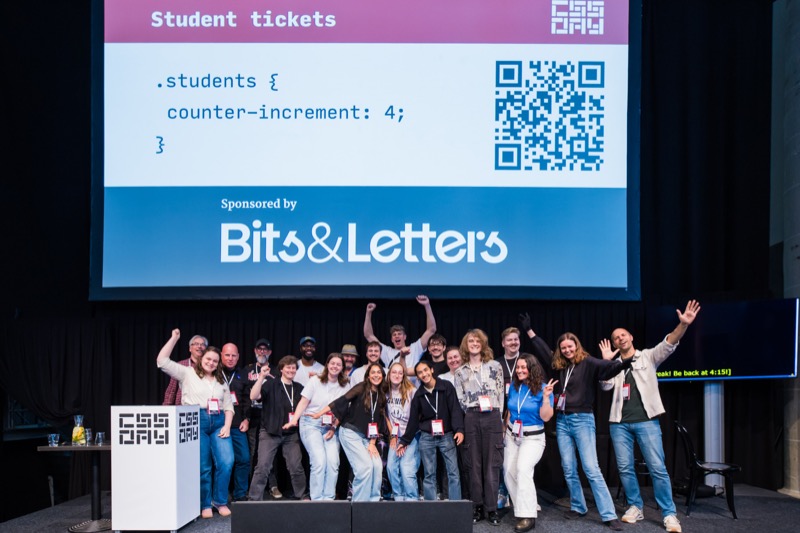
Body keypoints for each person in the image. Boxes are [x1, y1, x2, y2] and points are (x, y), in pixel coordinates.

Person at [599, 300, 701, 533]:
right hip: (619, 424)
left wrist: (683, 325)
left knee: (657, 468)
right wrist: (606, 364)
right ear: (614, 344)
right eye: (616, 338)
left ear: (631, 337)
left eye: (623, 335)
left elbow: (669, 342)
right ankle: (636, 506)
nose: (620, 339)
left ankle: (669, 513)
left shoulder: (648, 357)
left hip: (647, 422)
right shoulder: (614, 365)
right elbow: (605, 387)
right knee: (625, 468)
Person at [550, 332, 631, 530]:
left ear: (577, 345)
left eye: (570, 346)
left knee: (591, 468)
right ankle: (578, 506)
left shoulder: (587, 362)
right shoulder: (563, 366)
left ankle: (609, 514)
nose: (567, 350)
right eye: (563, 348)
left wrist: (623, 361)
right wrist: (530, 332)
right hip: (562, 421)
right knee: (568, 468)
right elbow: (544, 350)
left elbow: (607, 369)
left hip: (582, 420)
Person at [156, 329, 234, 518]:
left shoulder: (221, 379)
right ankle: (205, 503)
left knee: (227, 461)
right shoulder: (187, 373)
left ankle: (219, 501)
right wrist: (174, 338)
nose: (211, 363)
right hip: (196, 421)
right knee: (203, 466)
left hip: (219, 423)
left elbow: (228, 406)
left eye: (215, 361)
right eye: (208, 359)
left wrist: (227, 426)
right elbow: (162, 361)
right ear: (201, 358)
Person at [313, 363, 388, 501]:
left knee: (377, 466)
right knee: (364, 468)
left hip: (367, 438)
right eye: (373, 372)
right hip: (350, 433)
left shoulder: (381, 395)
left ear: (383, 376)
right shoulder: (361, 387)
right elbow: (341, 401)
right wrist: (319, 413)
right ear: (368, 376)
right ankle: (360, 505)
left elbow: (377, 421)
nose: (376, 375)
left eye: (379, 372)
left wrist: (372, 443)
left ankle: (373, 502)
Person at [453, 329, 504, 525]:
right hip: (472, 416)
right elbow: (460, 399)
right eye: (471, 341)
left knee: (492, 464)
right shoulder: (460, 371)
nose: (474, 344)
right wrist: (472, 411)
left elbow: (500, 393)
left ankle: (492, 509)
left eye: (477, 341)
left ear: (483, 344)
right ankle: (477, 506)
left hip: (492, 415)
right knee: (473, 465)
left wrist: (498, 416)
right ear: (466, 346)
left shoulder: (495, 366)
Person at [284, 353, 352, 500]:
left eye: (338, 364)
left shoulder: (345, 385)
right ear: (327, 364)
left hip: (330, 426)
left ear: (342, 368)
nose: (335, 366)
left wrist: (334, 428)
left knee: (333, 463)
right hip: (310, 423)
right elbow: (303, 402)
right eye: (332, 363)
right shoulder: (315, 380)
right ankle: (316, 499)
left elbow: (343, 411)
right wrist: (294, 420)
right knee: (319, 461)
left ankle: (328, 499)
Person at [503, 354, 557, 533]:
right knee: (508, 472)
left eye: (523, 367)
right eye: (517, 367)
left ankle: (527, 516)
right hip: (512, 434)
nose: (519, 370)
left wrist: (546, 398)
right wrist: (504, 431)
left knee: (523, 469)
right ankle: (525, 506)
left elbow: (546, 417)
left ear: (532, 369)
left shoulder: (544, 389)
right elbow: (510, 411)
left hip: (533, 437)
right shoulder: (514, 387)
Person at [398, 359, 464, 501]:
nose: (424, 374)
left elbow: (455, 409)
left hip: (447, 435)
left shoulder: (446, 386)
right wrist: (404, 441)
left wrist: (459, 429)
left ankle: (456, 506)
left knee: (453, 472)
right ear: (417, 376)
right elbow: (413, 420)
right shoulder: (419, 395)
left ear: (431, 370)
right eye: (420, 373)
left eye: (425, 370)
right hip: (427, 437)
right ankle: (431, 508)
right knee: (429, 474)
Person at [248, 356, 308, 500]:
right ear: (281, 369)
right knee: (262, 467)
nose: (291, 370)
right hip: (270, 432)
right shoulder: (271, 384)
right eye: (288, 367)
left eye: (293, 368)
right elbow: (253, 396)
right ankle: (254, 499)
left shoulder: (299, 388)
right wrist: (261, 377)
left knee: (296, 467)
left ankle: (302, 496)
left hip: (290, 434)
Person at [243, 338, 281, 499]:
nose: (262, 352)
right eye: (259, 349)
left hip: (270, 416)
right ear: (255, 351)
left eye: (265, 349)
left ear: (270, 352)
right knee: (252, 453)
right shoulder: (247, 370)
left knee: (269, 454)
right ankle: (250, 487)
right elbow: (244, 395)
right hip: (252, 416)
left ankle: (272, 485)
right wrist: (245, 417)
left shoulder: (276, 371)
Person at [363, 295, 437, 378]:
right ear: (392, 339)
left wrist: (427, 305)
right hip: (393, 386)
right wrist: (368, 312)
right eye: (394, 335)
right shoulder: (386, 351)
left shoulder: (415, 348)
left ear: (405, 337)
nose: (397, 336)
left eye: (399, 334)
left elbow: (431, 330)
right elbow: (368, 335)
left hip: (412, 386)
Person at [220, 343, 251, 502]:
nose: (230, 358)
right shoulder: (214, 372)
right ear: (221, 355)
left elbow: (247, 399)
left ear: (238, 357)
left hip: (238, 424)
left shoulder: (243, 374)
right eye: (227, 355)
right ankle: (220, 495)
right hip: (218, 424)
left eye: (233, 355)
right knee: (223, 462)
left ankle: (240, 494)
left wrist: (247, 419)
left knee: (244, 459)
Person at [385, 362, 419, 501]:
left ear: (404, 375)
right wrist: (393, 436)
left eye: (400, 373)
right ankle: (399, 497)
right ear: (389, 374)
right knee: (391, 467)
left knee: (406, 468)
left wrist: (405, 440)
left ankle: (412, 498)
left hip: (411, 436)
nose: (397, 375)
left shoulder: (412, 391)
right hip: (396, 436)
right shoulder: (385, 391)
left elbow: (416, 417)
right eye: (394, 372)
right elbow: (385, 416)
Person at [162, 334, 208, 406]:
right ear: (190, 348)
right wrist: (166, 408)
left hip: (204, 408)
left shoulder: (209, 367)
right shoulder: (181, 365)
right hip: (183, 408)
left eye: (202, 344)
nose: (199, 346)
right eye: (196, 344)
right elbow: (172, 390)